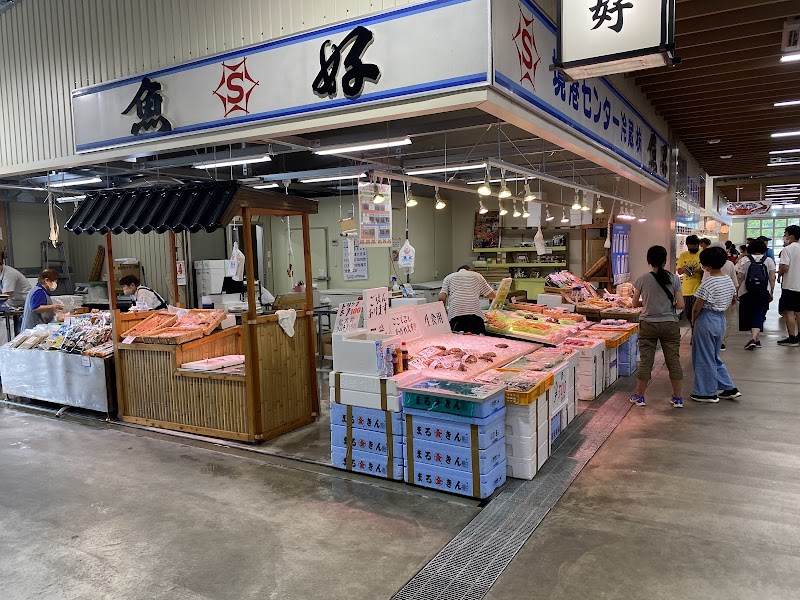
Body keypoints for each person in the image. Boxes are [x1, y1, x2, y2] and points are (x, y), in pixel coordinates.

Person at [629, 246, 685, 408]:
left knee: (646, 361)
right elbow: (681, 304)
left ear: (649, 260)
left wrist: (648, 303)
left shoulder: (642, 279)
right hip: (670, 324)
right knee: (673, 361)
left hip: (648, 324)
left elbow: (634, 303)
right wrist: (669, 304)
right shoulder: (674, 279)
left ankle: (640, 396)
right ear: (665, 260)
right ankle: (678, 398)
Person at [690, 247, 741, 403]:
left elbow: (697, 307)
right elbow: (733, 300)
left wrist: (693, 320)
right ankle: (729, 387)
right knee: (713, 356)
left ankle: (706, 393)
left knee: (703, 357)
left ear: (706, 265)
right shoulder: (727, 280)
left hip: (706, 319)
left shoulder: (708, 283)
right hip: (720, 320)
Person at [736, 238, 776, 350]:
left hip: (746, 292)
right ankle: (756, 339)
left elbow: (740, 277)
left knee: (749, 314)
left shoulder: (744, 260)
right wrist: (771, 292)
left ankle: (753, 338)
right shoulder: (769, 261)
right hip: (763, 291)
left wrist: (736, 291)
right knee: (759, 314)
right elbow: (772, 278)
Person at [438, 265, 496, 334]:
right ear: (470, 270)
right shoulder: (477, 276)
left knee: (457, 339)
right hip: (475, 318)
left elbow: (441, 298)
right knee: (479, 339)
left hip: (455, 316)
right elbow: (492, 296)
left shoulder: (448, 277)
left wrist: (444, 312)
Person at [702, 243, 738, 350]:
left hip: (710, 297)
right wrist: (734, 296)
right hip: (726, 296)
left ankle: (712, 340)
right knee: (726, 319)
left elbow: (704, 281)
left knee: (711, 319)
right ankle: (722, 341)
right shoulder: (730, 264)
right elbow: (734, 282)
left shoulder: (709, 265)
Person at [777, 224, 800, 347]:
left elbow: (785, 267)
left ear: (791, 236)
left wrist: (779, 273)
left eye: (785, 234)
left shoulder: (787, 249)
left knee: (789, 312)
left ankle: (792, 338)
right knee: (799, 312)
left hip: (790, 285)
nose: (784, 237)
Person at [677, 235, 703, 328]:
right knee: (688, 314)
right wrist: (685, 269)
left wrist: (698, 270)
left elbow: (707, 270)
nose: (691, 247)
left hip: (699, 289)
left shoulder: (702, 254)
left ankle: (696, 331)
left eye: (694, 245)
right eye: (689, 246)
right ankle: (693, 330)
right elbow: (679, 271)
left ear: (698, 245)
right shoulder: (683, 255)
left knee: (698, 314)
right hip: (686, 290)